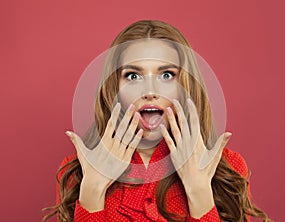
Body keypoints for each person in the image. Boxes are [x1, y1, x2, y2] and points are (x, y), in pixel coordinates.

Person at [43, 20, 271, 222]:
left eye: (166, 75)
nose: (150, 90)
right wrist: (93, 189)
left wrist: (198, 190)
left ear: (186, 86)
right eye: (133, 76)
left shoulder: (227, 168)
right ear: (115, 88)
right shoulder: (78, 171)